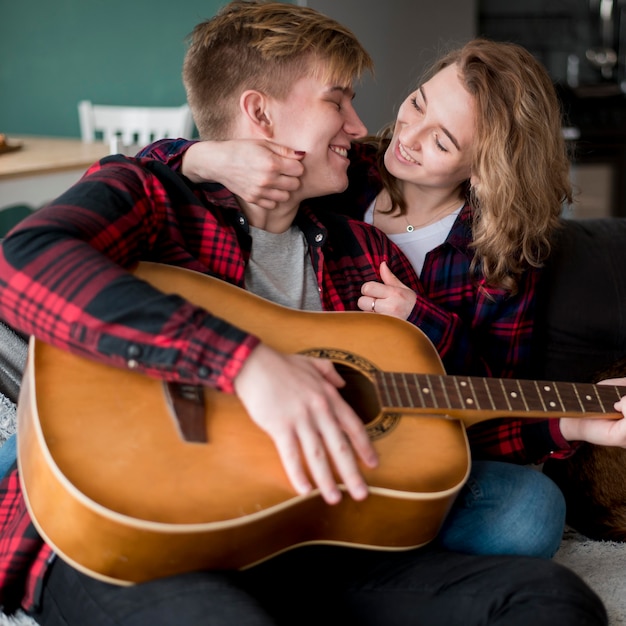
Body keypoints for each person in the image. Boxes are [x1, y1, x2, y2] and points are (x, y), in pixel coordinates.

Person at [0, 2, 610, 624]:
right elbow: (24, 261)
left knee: (550, 595)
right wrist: (248, 365)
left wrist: (575, 420)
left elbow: (437, 421)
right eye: (337, 102)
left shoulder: (364, 256)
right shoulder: (158, 196)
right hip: (144, 536)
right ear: (260, 112)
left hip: (311, 537)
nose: (363, 127)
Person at [136, 37, 578, 558]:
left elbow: (492, 404)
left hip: (402, 439)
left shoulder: (501, 259)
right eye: (416, 103)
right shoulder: (345, 170)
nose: (407, 135)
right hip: (268, 403)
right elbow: (152, 177)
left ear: (484, 170)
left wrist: (423, 322)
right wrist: (207, 157)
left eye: (441, 143)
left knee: (530, 511)